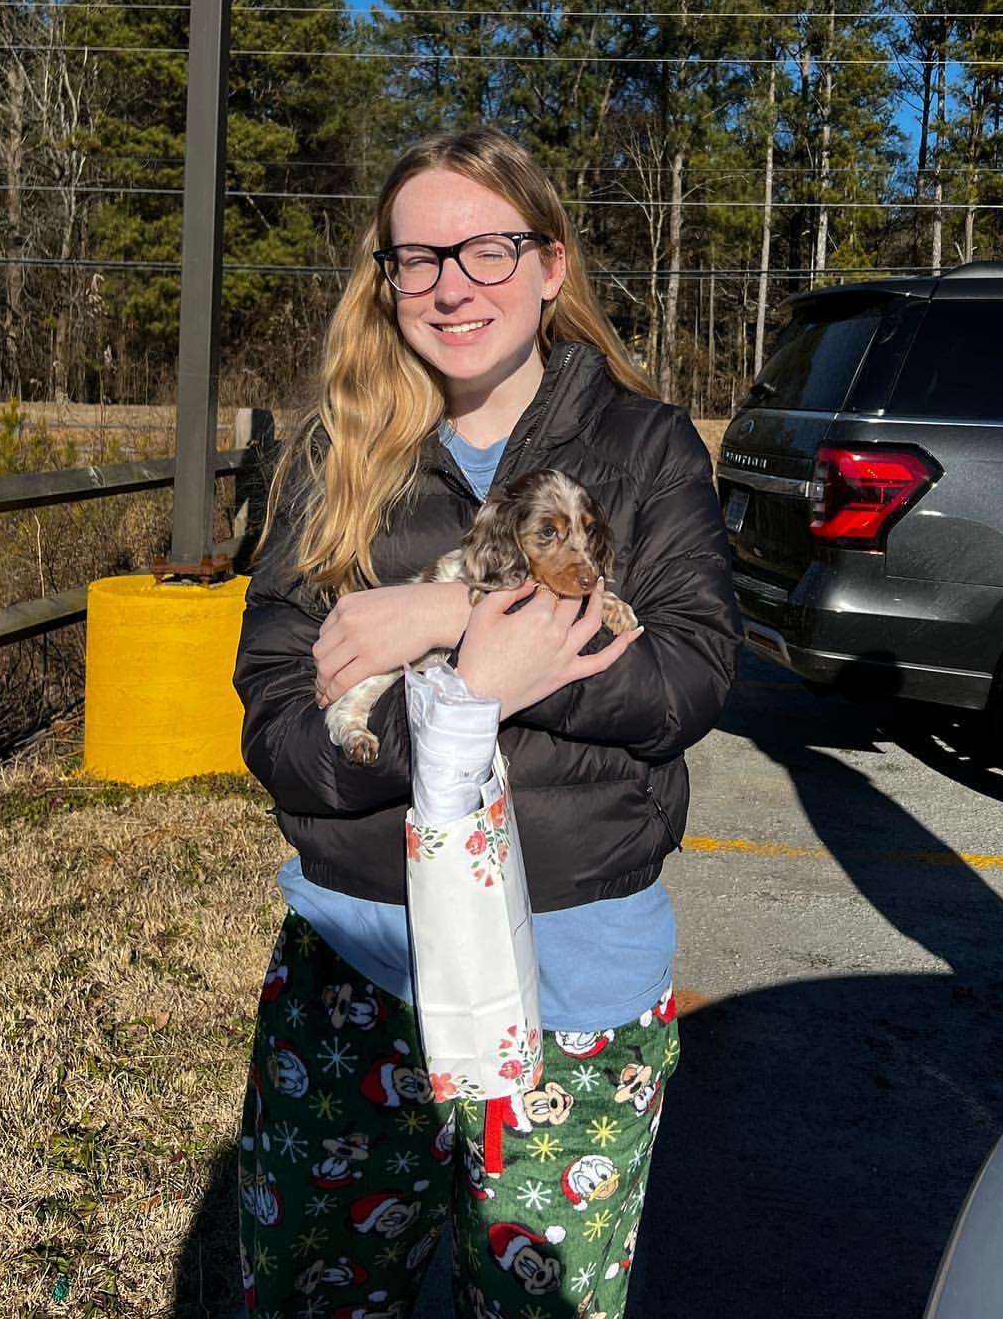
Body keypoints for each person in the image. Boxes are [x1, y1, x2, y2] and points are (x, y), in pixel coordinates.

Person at [234, 126, 741, 1317]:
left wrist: (449, 612)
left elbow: (690, 678)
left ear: (552, 265)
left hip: (574, 974)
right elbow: (276, 732)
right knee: (313, 1293)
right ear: (387, 281)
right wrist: (453, 710)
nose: (452, 284)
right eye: (418, 259)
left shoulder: (643, 444)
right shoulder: (336, 459)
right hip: (361, 962)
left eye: (488, 249)